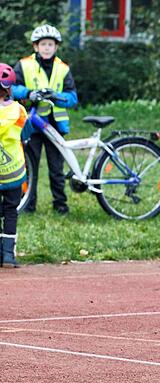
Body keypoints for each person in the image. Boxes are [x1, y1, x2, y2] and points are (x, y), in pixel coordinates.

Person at [11, 25, 78, 214]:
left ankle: (60, 204)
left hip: (55, 125)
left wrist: (56, 95)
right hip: (32, 124)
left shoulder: (63, 69)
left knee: (56, 168)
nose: (47, 48)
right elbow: (11, 88)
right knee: (29, 166)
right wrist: (29, 93)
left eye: (50, 44)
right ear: (35, 47)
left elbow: (73, 98)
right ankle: (28, 204)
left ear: (56, 47)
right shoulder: (24, 65)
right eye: (43, 44)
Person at [0, 64, 29, 268]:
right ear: (10, 88)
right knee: (11, 210)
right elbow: (26, 135)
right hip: (14, 172)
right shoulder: (19, 111)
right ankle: (8, 255)